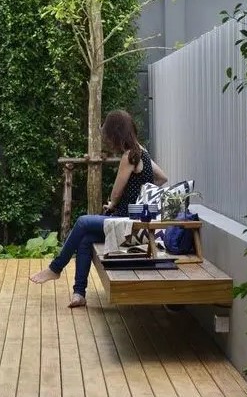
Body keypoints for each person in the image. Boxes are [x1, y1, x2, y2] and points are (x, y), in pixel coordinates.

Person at [30, 109, 168, 307]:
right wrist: (144, 191)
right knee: (85, 239)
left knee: (83, 221)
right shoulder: (143, 153)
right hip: (134, 223)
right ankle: (79, 294)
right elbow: (163, 178)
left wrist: (112, 203)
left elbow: (115, 194)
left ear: (116, 133)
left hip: (126, 223)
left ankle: (56, 268)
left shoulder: (129, 157)